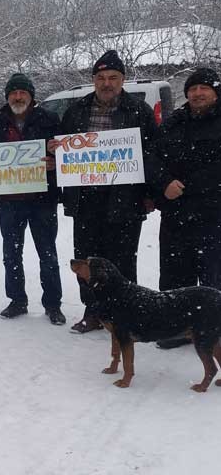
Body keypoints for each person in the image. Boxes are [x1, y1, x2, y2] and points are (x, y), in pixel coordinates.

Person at [49, 50, 159, 333]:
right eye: (101, 77)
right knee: (87, 259)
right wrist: (55, 150)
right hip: (86, 199)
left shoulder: (139, 111)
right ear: (93, 80)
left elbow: (153, 154)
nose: (106, 83)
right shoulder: (77, 111)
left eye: (112, 77)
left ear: (123, 79)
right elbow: (62, 150)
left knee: (122, 259)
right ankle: (94, 311)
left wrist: (150, 193)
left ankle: (126, 314)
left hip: (126, 198)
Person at [0, 74, 65, 325]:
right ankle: (17, 300)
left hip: (42, 199)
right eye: (13, 93)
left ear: (31, 96)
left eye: (22, 93)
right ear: (7, 96)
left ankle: (53, 304)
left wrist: (56, 161)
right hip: (9, 201)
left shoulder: (49, 120)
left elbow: (68, 154)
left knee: (47, 253)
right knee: (11, 253)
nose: (18, 97)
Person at [151, 67, 221, 349]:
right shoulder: (174, 122)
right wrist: (164, 182)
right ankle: (174, 328)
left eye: (204, 88)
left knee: (212, 274)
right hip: (175, 214)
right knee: (173, 273)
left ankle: (212, 330)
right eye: (193, 89)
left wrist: (187, 185)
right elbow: (152, 156)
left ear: (215, 92)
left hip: (213, 212)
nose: (198, 93)